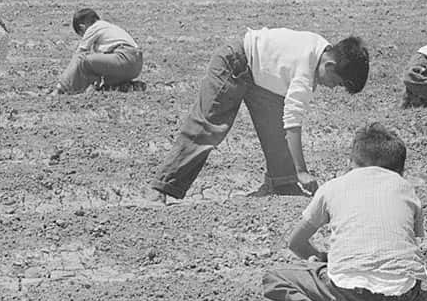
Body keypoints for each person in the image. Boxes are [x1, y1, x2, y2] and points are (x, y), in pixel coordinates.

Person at [262, 123, 427, 301]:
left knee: (275, 278)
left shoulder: (333, 186)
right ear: (400, 170)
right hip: (405, 296)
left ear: (352, 160)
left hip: (351, 294)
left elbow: (295, 242)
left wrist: (319, 259)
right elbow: (412, 240)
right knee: (398, 275)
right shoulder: (406, 188)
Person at [147, 27, 370, 203]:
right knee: (207, 127)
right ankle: (161, 188)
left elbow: (285, 125)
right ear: (330, 65)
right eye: (336, 83)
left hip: (260, 76)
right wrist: (302, 171)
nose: (331, 87)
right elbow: (293, 122)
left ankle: (282, 185)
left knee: (276, 132)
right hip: (234, 64)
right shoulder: (304, 69)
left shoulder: (321, 48)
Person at [50, 8, 143, 94]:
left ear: (82, 27)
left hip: (124, 58)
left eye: (82, 35)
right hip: (136, 64)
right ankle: (129, 86)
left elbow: (79, 54)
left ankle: (61, 90)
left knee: (83, 60)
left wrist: (62, 84)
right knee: (101, 82)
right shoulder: (108, 27)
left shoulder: (94, 27)